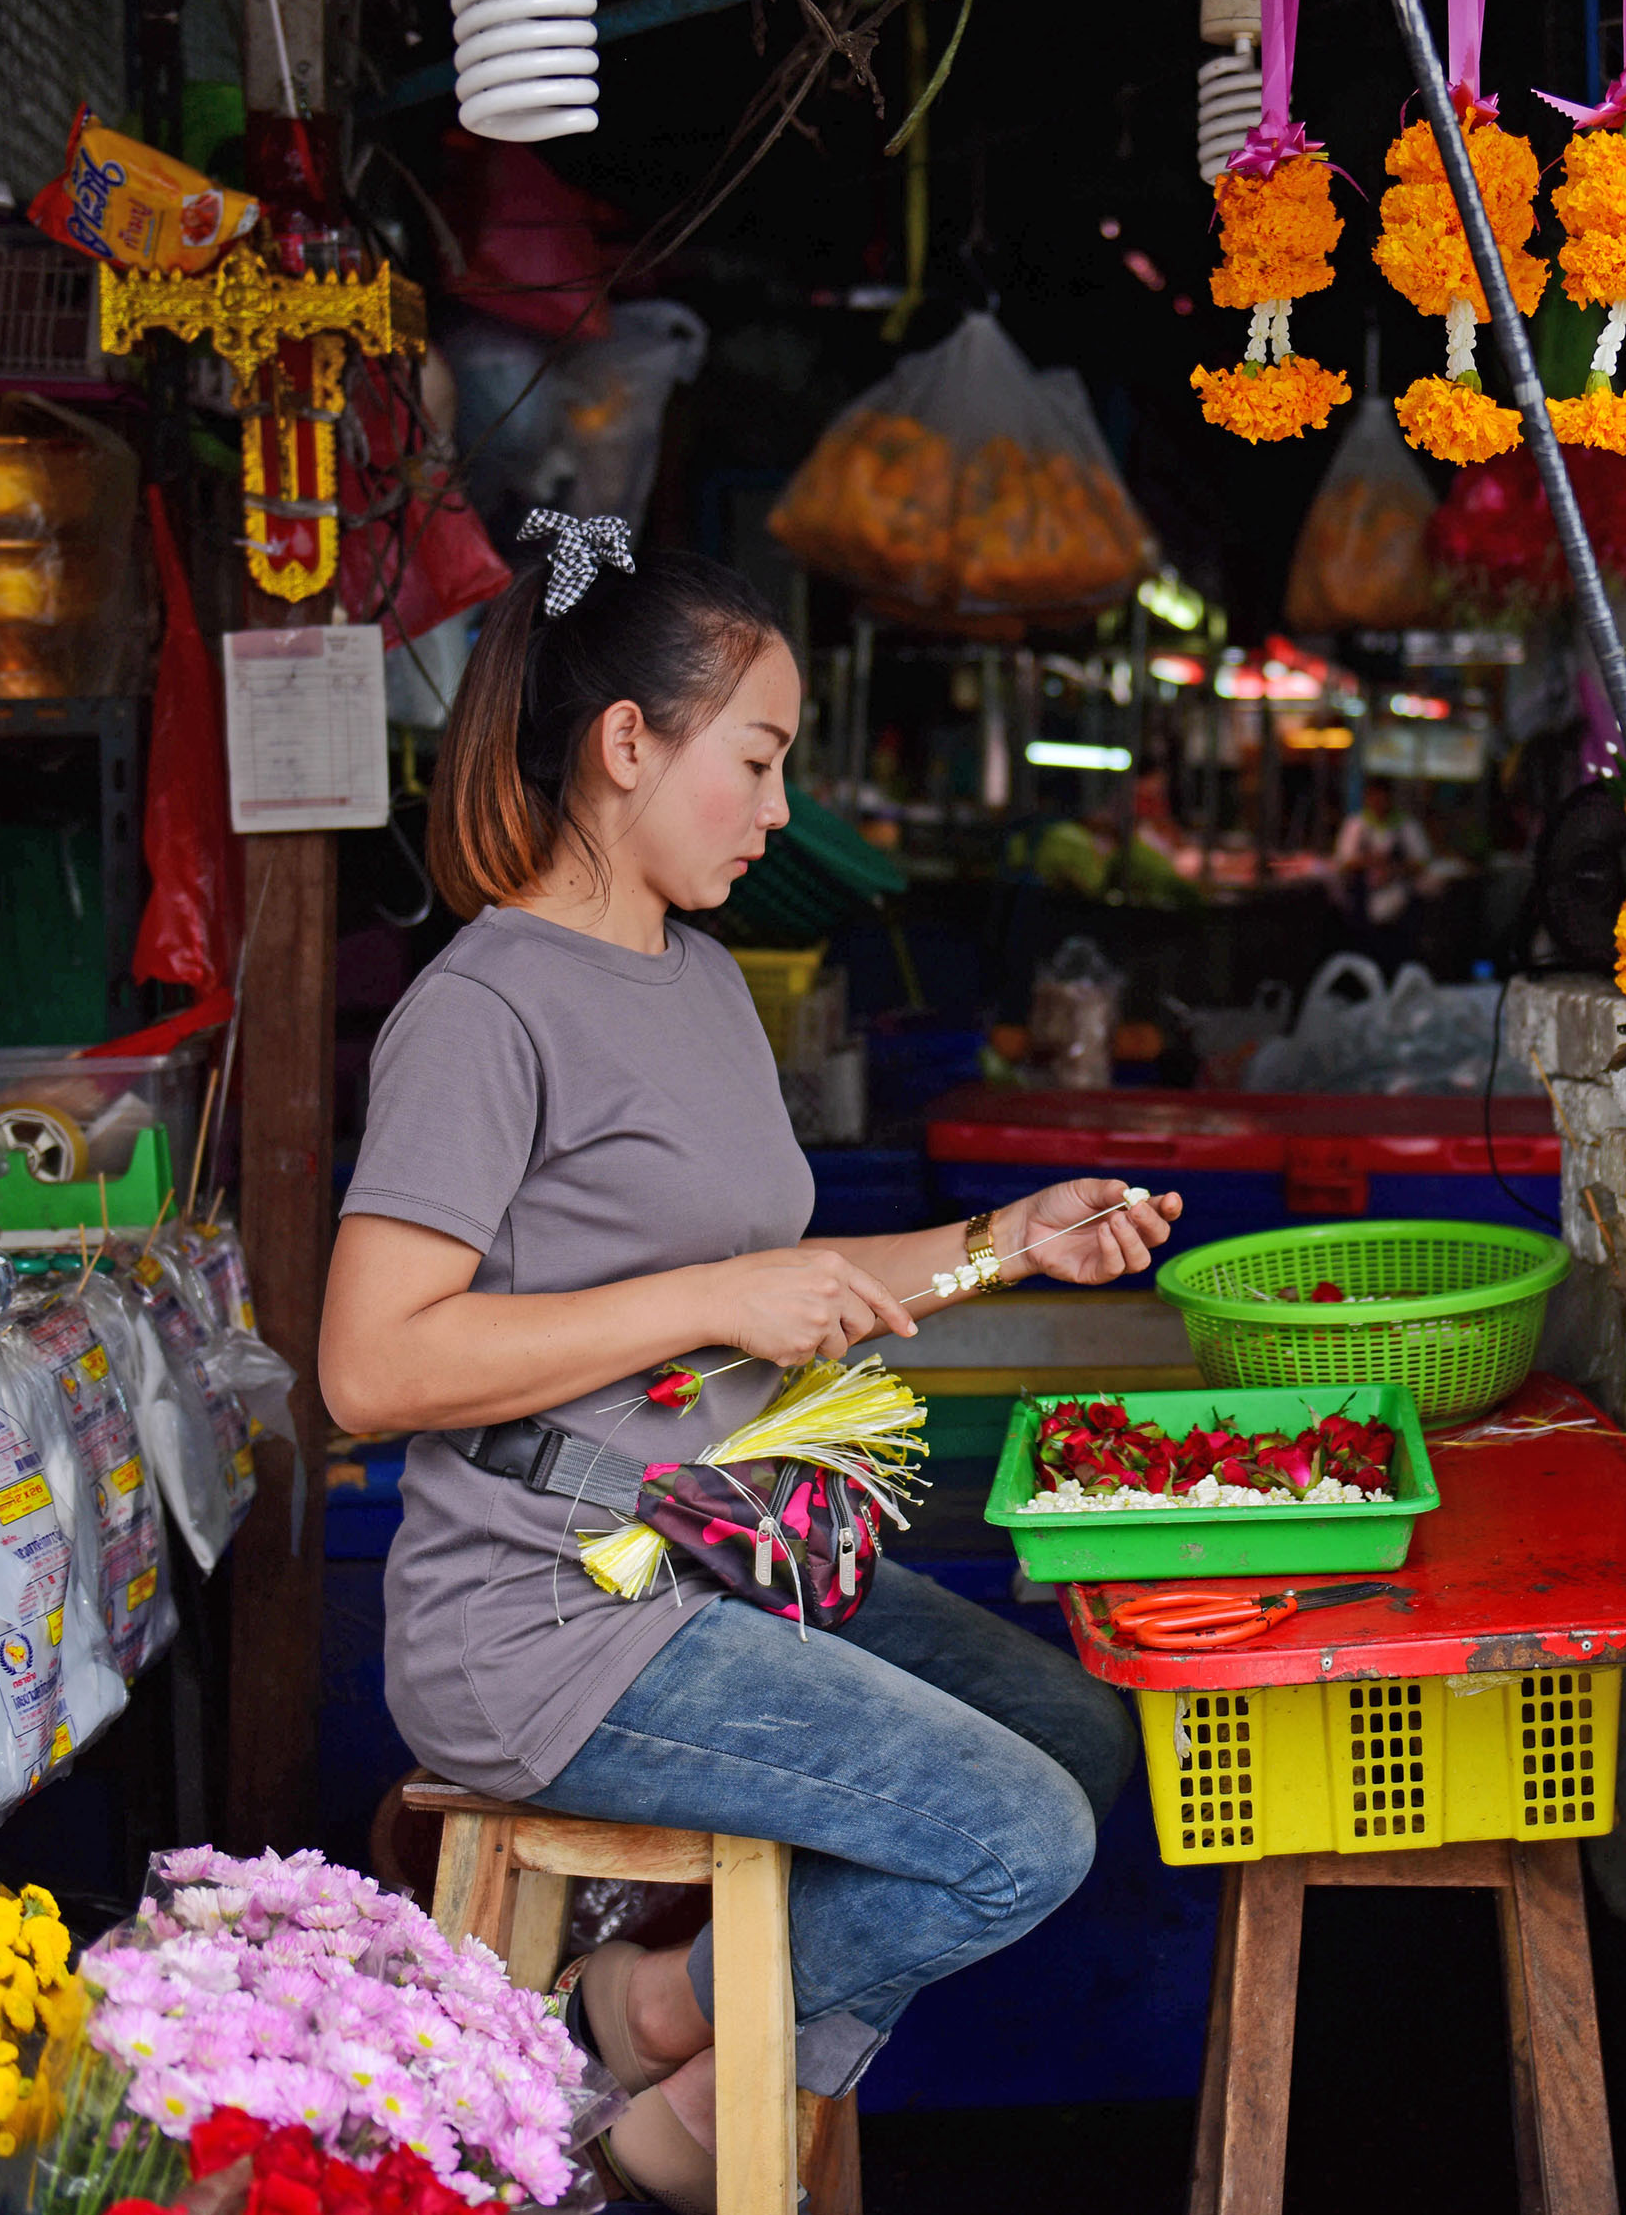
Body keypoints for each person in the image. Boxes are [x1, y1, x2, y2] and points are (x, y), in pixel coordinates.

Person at [318, 512, 1175, 2212]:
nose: (782, 811)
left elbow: (790, 1281)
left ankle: (650, 2016)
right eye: (760, 760)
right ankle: (678, 2075)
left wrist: (1010, 1240)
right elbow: (370, 1366)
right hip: (548, 1618)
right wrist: (714, 1297)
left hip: (727, 1565)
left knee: (1079, 1740)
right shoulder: (482, 1011)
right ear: (626, 746)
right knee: (1019, 1832)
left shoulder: (702, 980)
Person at [1330, 776, 1439, 961]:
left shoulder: (1406, 826)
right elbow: (1342, 862)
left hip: (1400, 906)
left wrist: (1394, 868)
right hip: (1362, 907)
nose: (1377, 802)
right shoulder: (1356, 825)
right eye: (1373, 797)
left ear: (1390, 798)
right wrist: (1370, 861)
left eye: (1382, 797)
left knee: (1397, 953)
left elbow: (1422, 861)